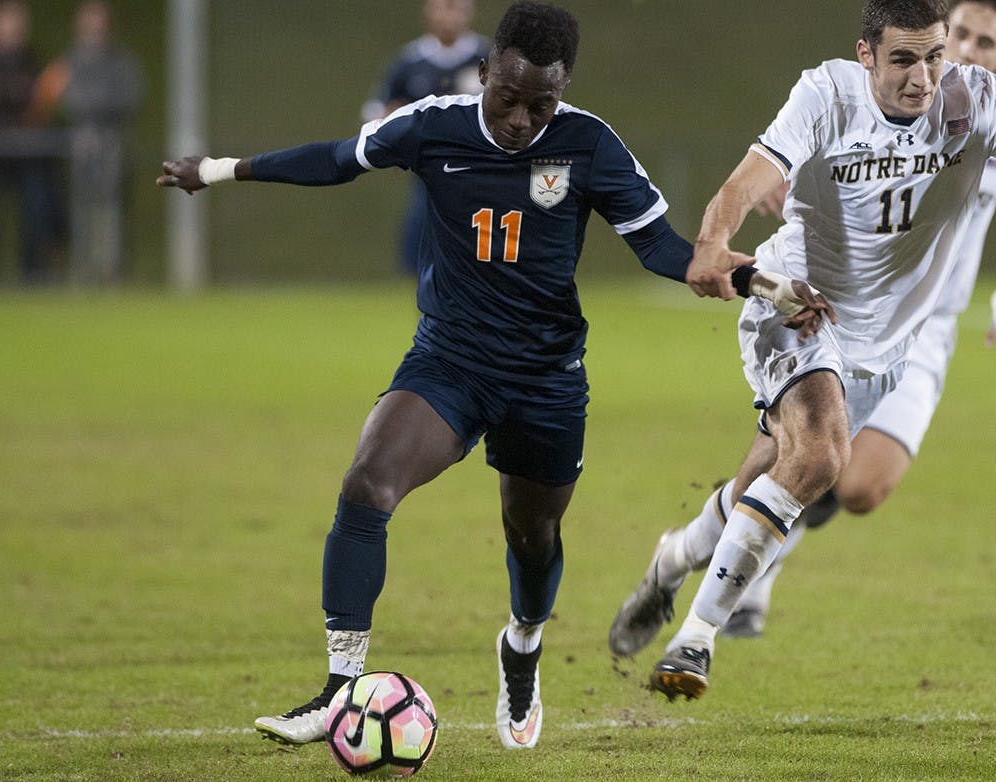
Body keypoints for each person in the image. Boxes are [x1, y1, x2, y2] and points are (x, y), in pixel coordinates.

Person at [157, 1, 828, 750]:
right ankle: (340, 690)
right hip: (451, 361)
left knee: (534, 536)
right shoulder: (432, 125)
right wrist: (218, 170)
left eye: (541, 104)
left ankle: (522, 646)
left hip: (546, 378)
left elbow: (665, 250)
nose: (520, 120)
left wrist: (756, 283)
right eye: (507, 98)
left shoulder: (588, 144)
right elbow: (337, 160)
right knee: (365, 485)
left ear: (562, 90)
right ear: (485, 73)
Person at [609, 0, 996, 702]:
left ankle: (673, 560)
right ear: (867, 55)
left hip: (893, 344)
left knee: (775, 477)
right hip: (799, 306)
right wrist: (712, 244)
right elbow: (747, 180)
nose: (924, 78)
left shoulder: (977, 103)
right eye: (904, 60)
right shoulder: (825, 93)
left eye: (935, 57)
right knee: (822, 456)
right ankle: (695, 639)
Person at [718, 0, 996, 639]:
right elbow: (817, 144)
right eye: (965, 37)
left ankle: (737, 532)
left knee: (861, 484)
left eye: (989, 41)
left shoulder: (976, 115)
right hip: (843, 315)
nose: (974, 51)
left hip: (927, 332)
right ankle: (739, 561)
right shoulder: (890, 107)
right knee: (814, 459)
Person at [362, 0, 491, 275]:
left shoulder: (489, 56)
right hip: (429, 170)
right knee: (420, 236)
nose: (449, 14)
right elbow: (378, 113)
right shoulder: (409, 62)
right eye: (443, 6)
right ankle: (426, 290)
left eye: (456, 6)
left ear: (469, 10)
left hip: (484, 169)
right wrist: (392, 141)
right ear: (428, 10)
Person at [31, 0, 142, 283]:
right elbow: (56, 98)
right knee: (79, 207)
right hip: (79, 144)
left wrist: (98, 107)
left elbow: (131, 97)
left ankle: (111, 271)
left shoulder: (121, 62)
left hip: (114, 144)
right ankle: (81, 271)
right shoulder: (68, 63)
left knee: (112, 209)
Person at [0, 0, 58, 283]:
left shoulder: (31, 60)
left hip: (26, 150)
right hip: (0, 150)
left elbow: (41, 98)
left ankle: (32, 275)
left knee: (37, 210)